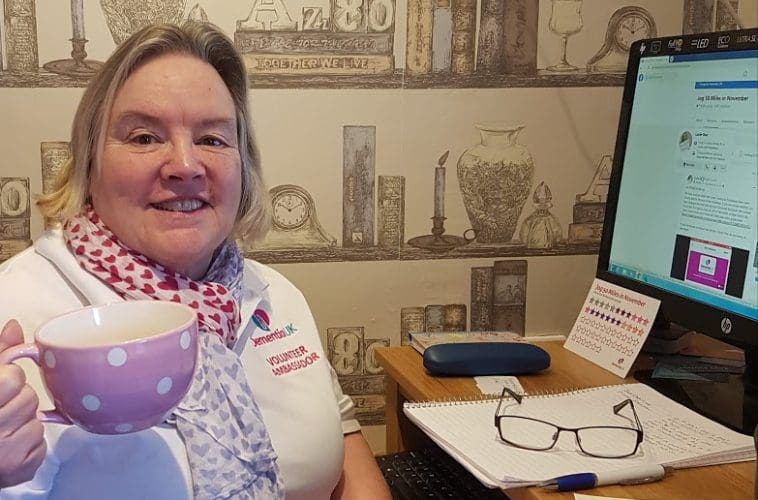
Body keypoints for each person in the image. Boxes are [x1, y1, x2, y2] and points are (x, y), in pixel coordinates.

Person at [0, 21, 390, 500]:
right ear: (89, 163)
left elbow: (344, 442)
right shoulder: (13, 305)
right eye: (144, 137)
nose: (185, 166)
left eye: (212, 139)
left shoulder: (273, 294)